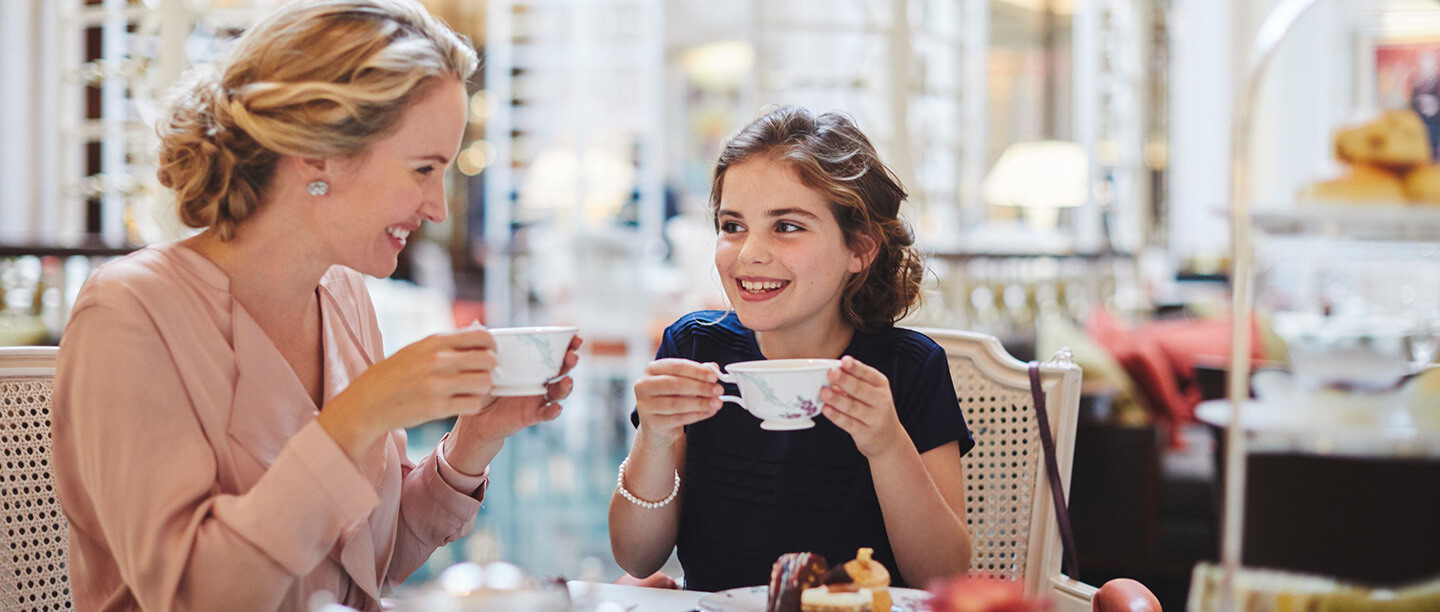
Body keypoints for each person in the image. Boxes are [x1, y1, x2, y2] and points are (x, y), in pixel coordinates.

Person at [50, 2, 581, 610]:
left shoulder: (345, 297)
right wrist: (360, 414)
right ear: (318, 154)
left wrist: (474, 440)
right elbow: (195, 596)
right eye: (423, 169)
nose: (439, 207)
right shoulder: (129, 312)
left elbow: (367, 569)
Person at [608, 106, 973, 592]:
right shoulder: (694, 348)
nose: (750, 252)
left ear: (859, 249)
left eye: (787, 227)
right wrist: (653, 437)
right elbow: (636, 556)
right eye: (733, 226)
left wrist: (887, 444)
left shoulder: (907, 369)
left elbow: (943, 578)